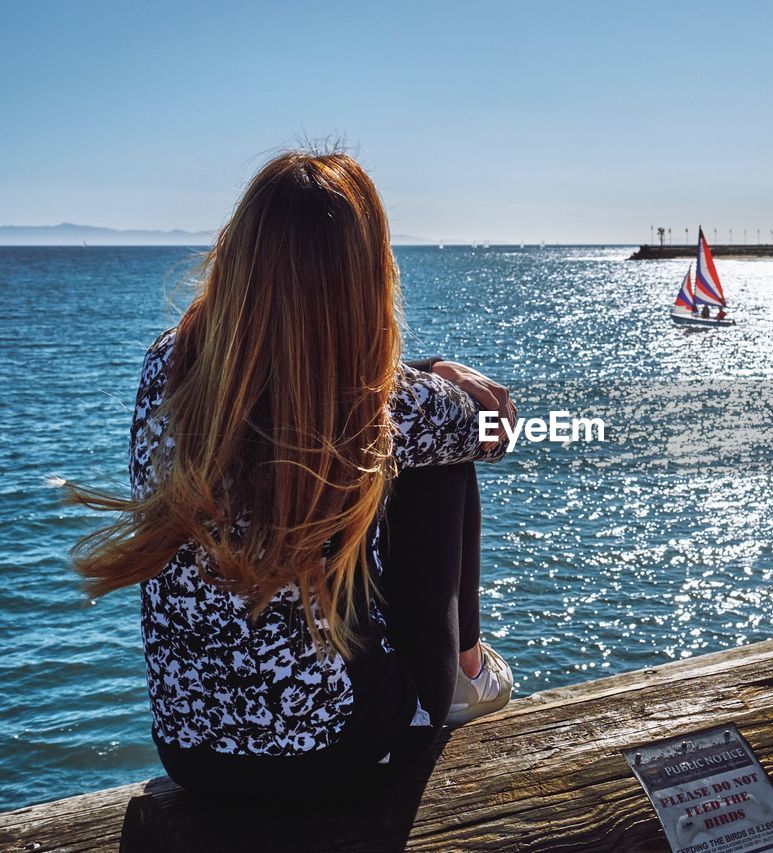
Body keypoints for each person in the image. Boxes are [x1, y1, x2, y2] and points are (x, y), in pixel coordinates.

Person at [67, 150, 513, 800]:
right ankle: (466, 674)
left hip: (192, 752)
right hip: (340, 750)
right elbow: (496, 430)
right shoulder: (383, 407)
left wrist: (420, 374)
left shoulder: (166, 370)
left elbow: (286, 385)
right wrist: (445, 376)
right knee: (443, 459)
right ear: (366, 273)